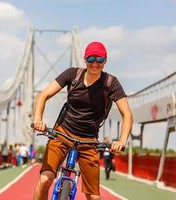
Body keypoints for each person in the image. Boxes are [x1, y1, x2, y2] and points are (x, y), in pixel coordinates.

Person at [32, 41, 133, 200]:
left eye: (99, 60)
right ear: (85, 59)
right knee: (45, 179)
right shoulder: (72, 74)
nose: (95, 63)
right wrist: (38, 119)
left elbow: (127, 114)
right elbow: (43, 96)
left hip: (89, 141)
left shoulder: (111, 83)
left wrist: (121, 140)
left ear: (105, 61)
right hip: (62, 134)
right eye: (91, 59)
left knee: (94, 197)